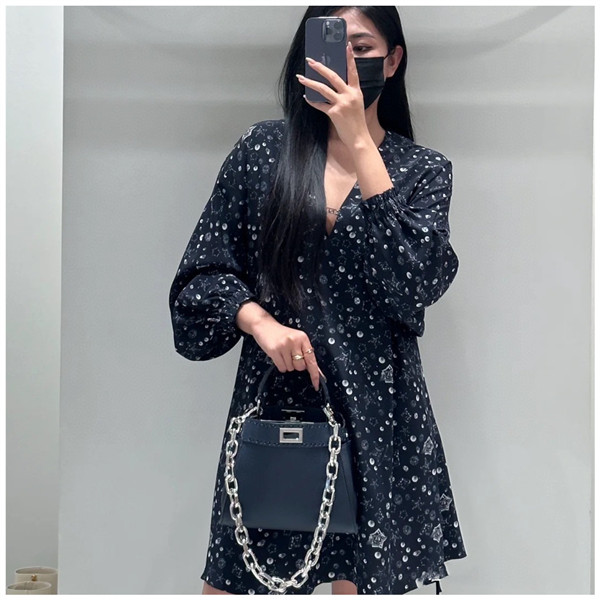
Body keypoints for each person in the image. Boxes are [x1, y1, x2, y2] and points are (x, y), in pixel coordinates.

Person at [168, 5, 467, 595]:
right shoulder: (264, 151)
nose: (348, 60)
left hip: (381, 411)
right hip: (278, 401)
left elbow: (414, 285)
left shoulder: (423, 172)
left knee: (359, 582)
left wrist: (358, 138)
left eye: (363, 47)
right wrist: (259, 322)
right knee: (237, 579)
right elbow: (200, 278)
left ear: (394, 60)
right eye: (334, 44)